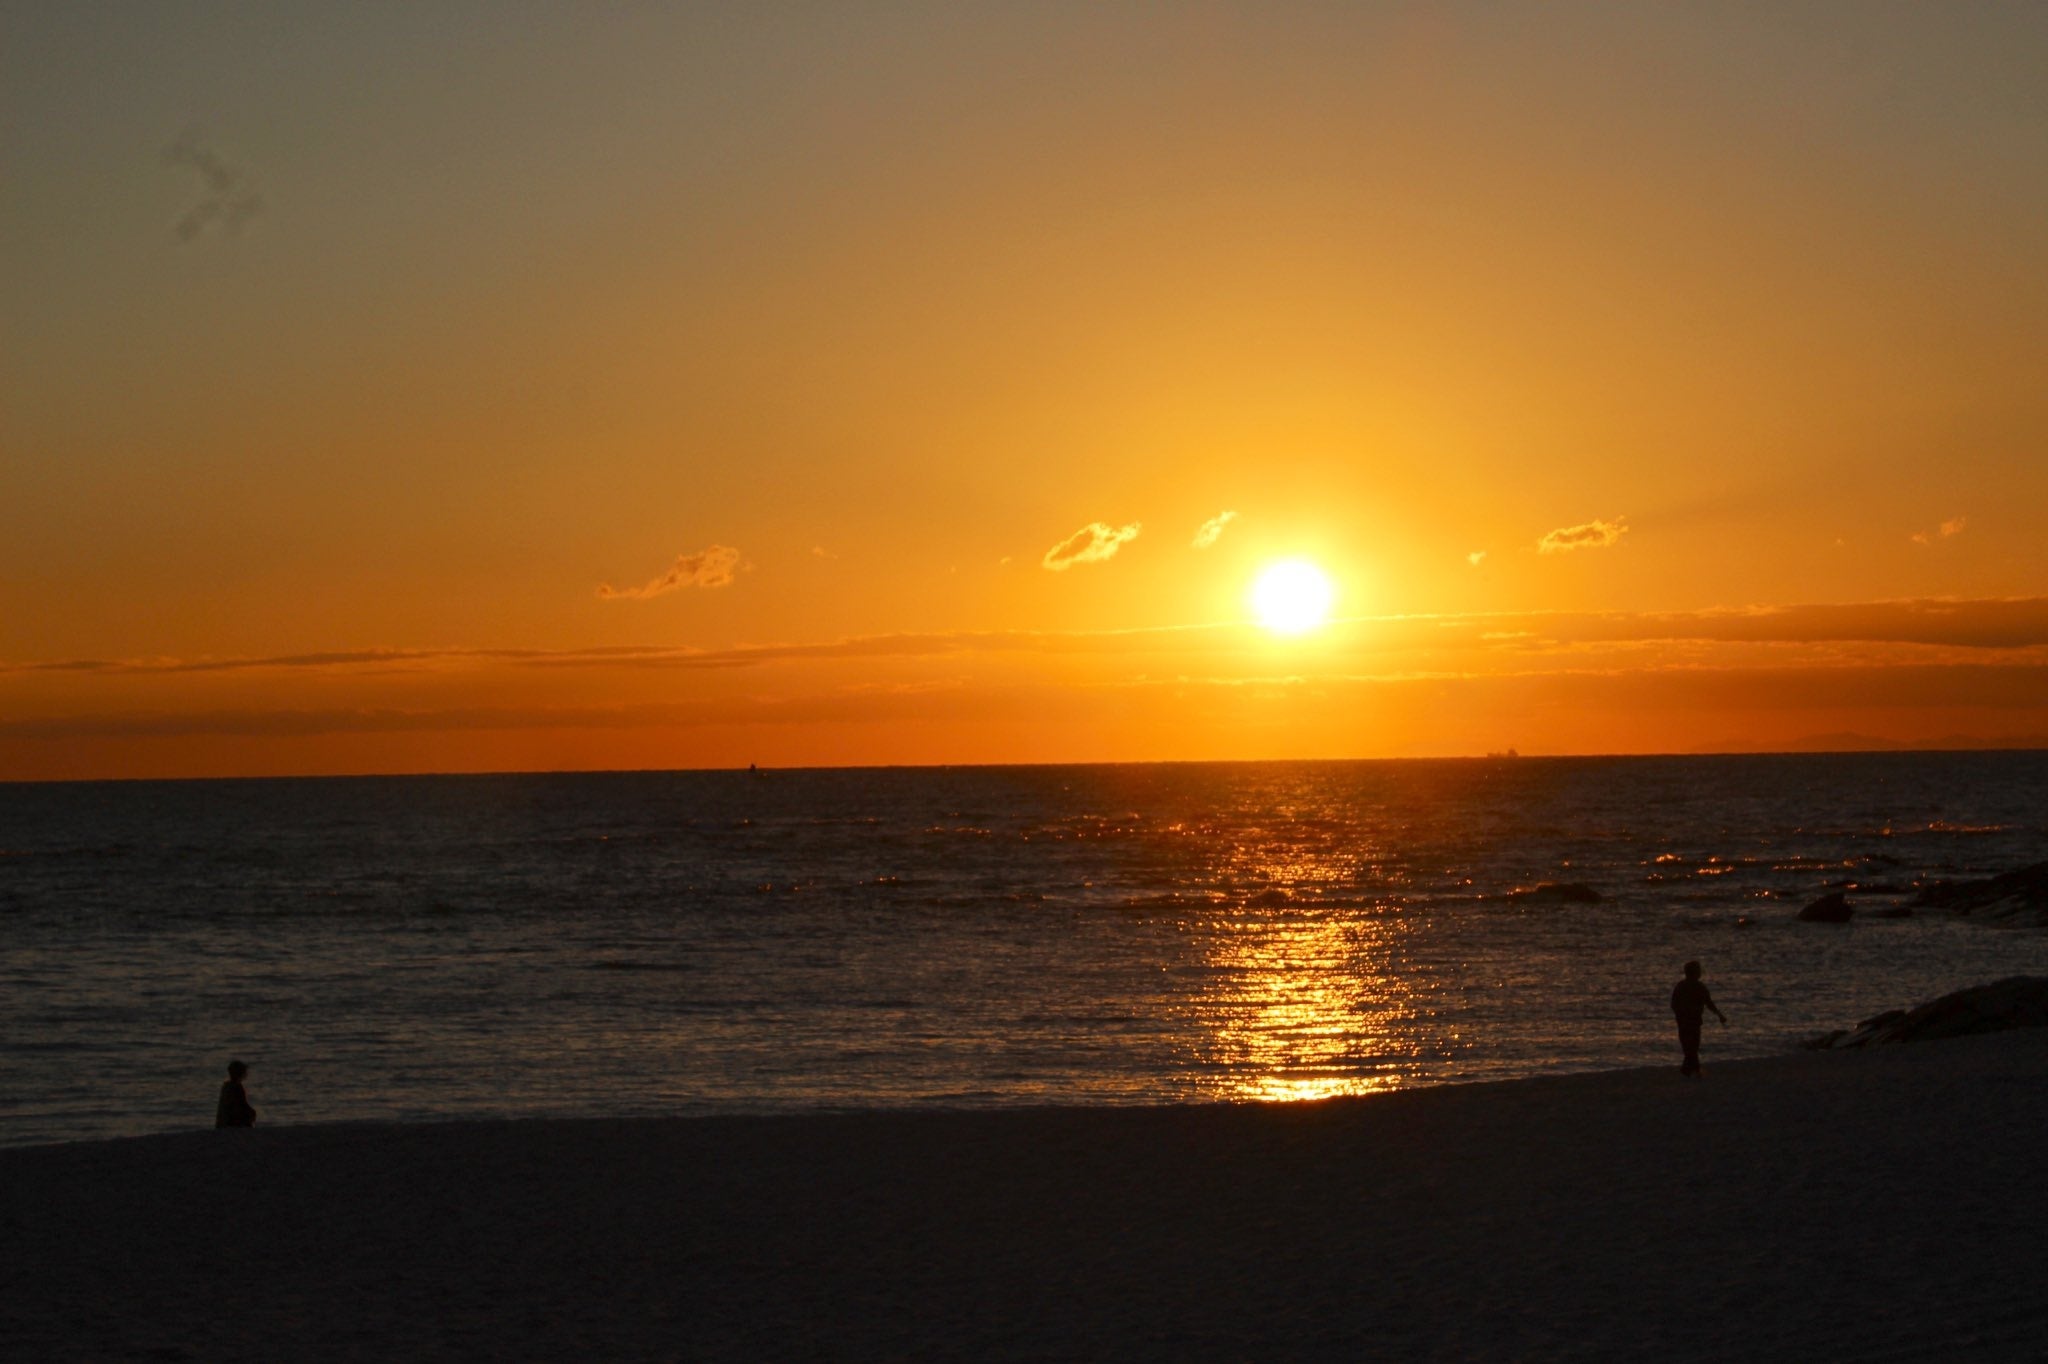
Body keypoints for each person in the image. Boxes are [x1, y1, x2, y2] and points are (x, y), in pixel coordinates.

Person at [1670, 961, 1726, 1077]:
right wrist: (1719, 1014)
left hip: (1683, 1021)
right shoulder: (1699, 987)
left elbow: (1674, 1004)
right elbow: (1709, 1003)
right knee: (1693, 1046)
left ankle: (1691, 1070)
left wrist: (1679, 1015)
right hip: (1693, 1021)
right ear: (1695, 973)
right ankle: (1691, 1070)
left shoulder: (1680, 986)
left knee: (1688, 1046)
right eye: (1699, 970)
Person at [215, 1059, 257, 1128]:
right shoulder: (236, 1087)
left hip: (225, 1121)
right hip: (231, 1122)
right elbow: (242, 1105)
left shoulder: (227, 1086)